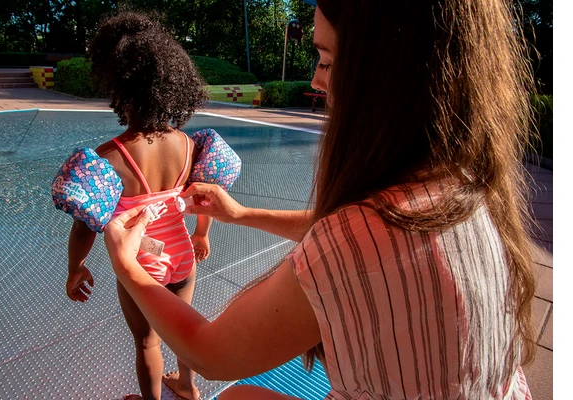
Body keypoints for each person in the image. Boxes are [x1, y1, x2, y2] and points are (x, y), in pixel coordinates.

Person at [103, 0, 538, 398]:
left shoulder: (352, 241)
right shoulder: (469, 184)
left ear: (389, 75)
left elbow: (210, 354)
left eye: (327, 60)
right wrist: (240, 214)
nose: (316, 79)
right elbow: (367, 231)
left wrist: (126, 264)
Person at [64, 10, 212, 400]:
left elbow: (84, 226)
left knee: (147, 342)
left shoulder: (109, 157)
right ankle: (187, 387)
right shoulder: (188, 144)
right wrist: (201, 234)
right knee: (184, 328)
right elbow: (204, 197)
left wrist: (76, 268)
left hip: (143, 260)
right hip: (182, 255)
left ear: (118, 87)